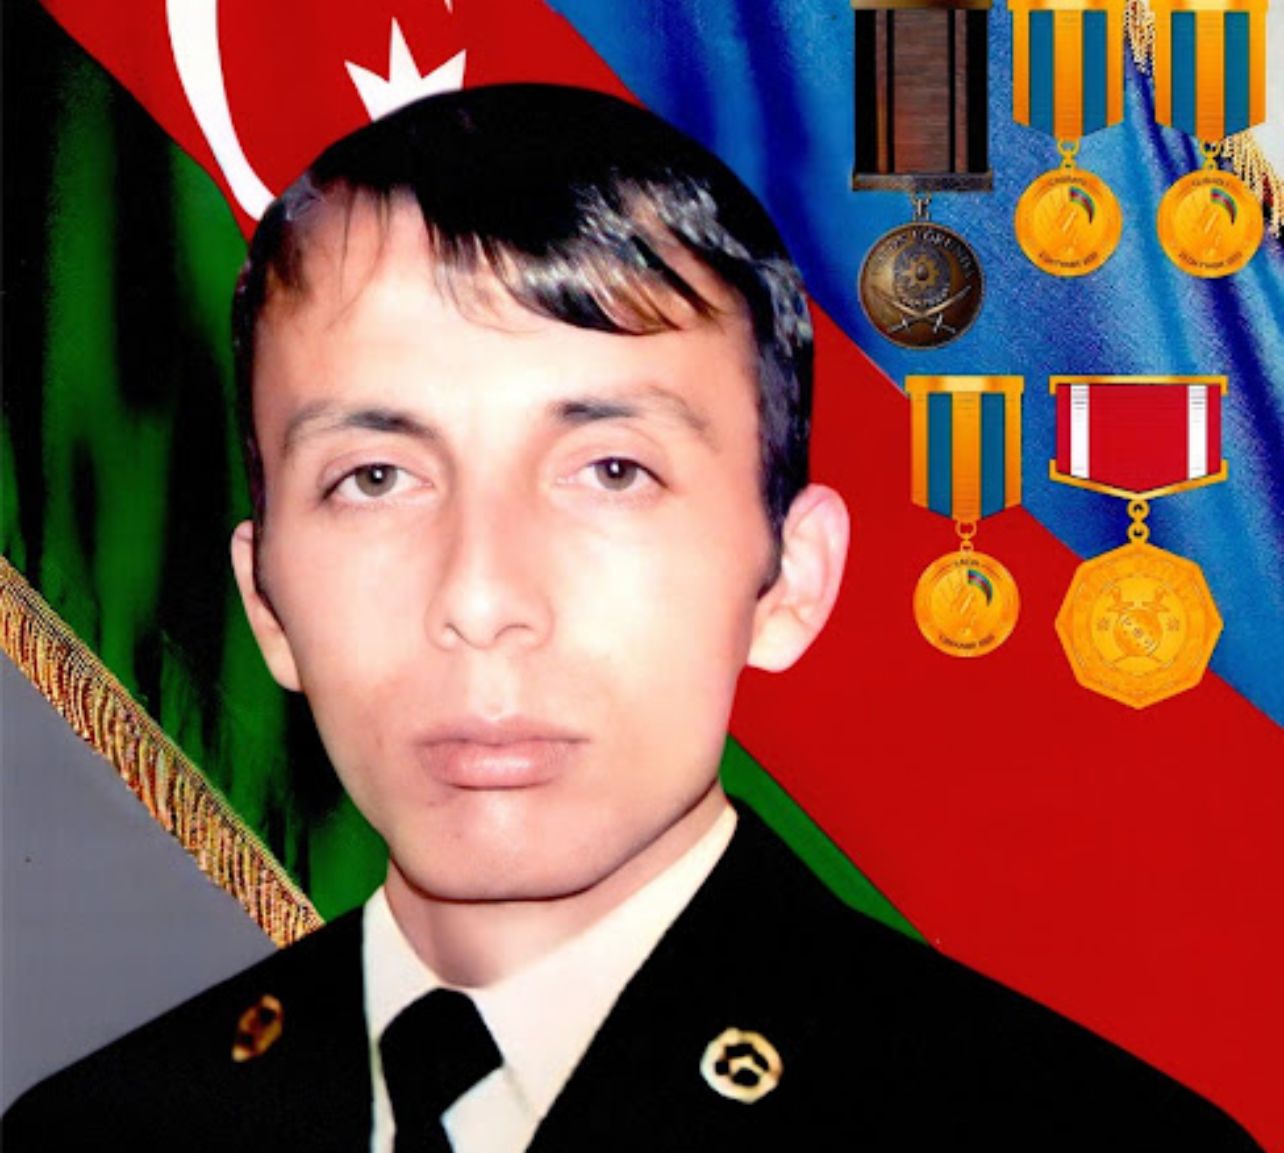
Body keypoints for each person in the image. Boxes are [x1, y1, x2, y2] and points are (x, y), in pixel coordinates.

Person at [2, 84, 1263, 1152]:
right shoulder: (95, 1136)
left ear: (790, 579)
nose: (481, 599)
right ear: (266, 599)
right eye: (374, 478)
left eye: (612, 471)